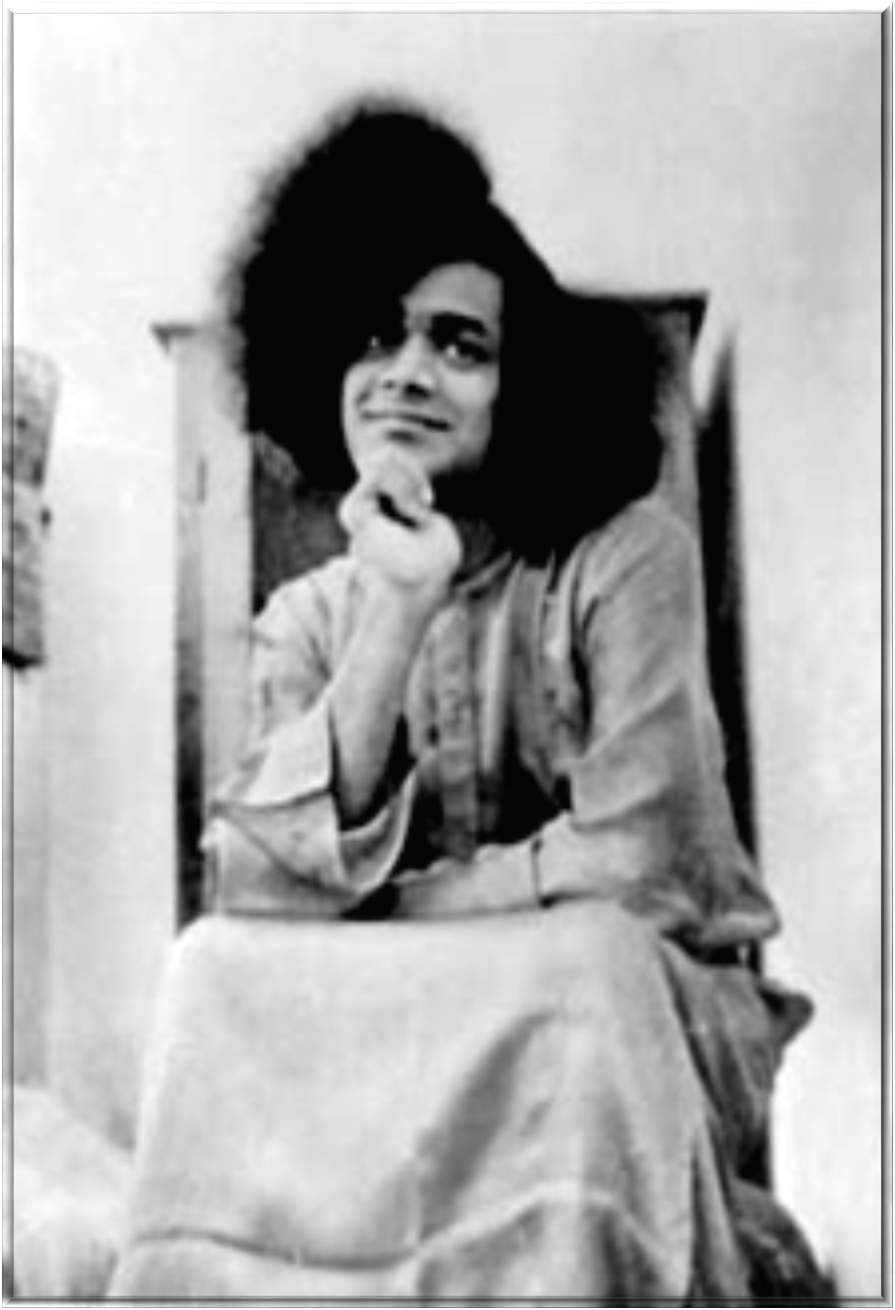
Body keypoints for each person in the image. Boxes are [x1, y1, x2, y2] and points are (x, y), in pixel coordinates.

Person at [110, 95, 826, 1300]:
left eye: (458, 344)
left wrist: (388, 907)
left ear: (519, 384)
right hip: (400, 1028)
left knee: (588, 958)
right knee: (205, 968)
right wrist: (394, 607)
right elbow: (256, 890)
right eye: (373, 338)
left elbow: (639, 863)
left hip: (635, 1021)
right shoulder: (309, 617)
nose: (406, 373)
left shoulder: (628, 558)